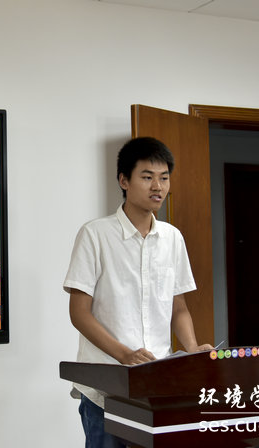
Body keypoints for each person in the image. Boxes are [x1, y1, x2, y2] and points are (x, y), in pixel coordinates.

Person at [63, 136, 213, 448]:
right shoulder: (95, 234)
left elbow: (178, 307)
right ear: (124, 181)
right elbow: (79, 313)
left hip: (157, 385)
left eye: (164, 178)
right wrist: (125, 355)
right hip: (105, 388)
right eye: (147, 177)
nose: (157, 186)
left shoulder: (172, 238)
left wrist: (192, 349)